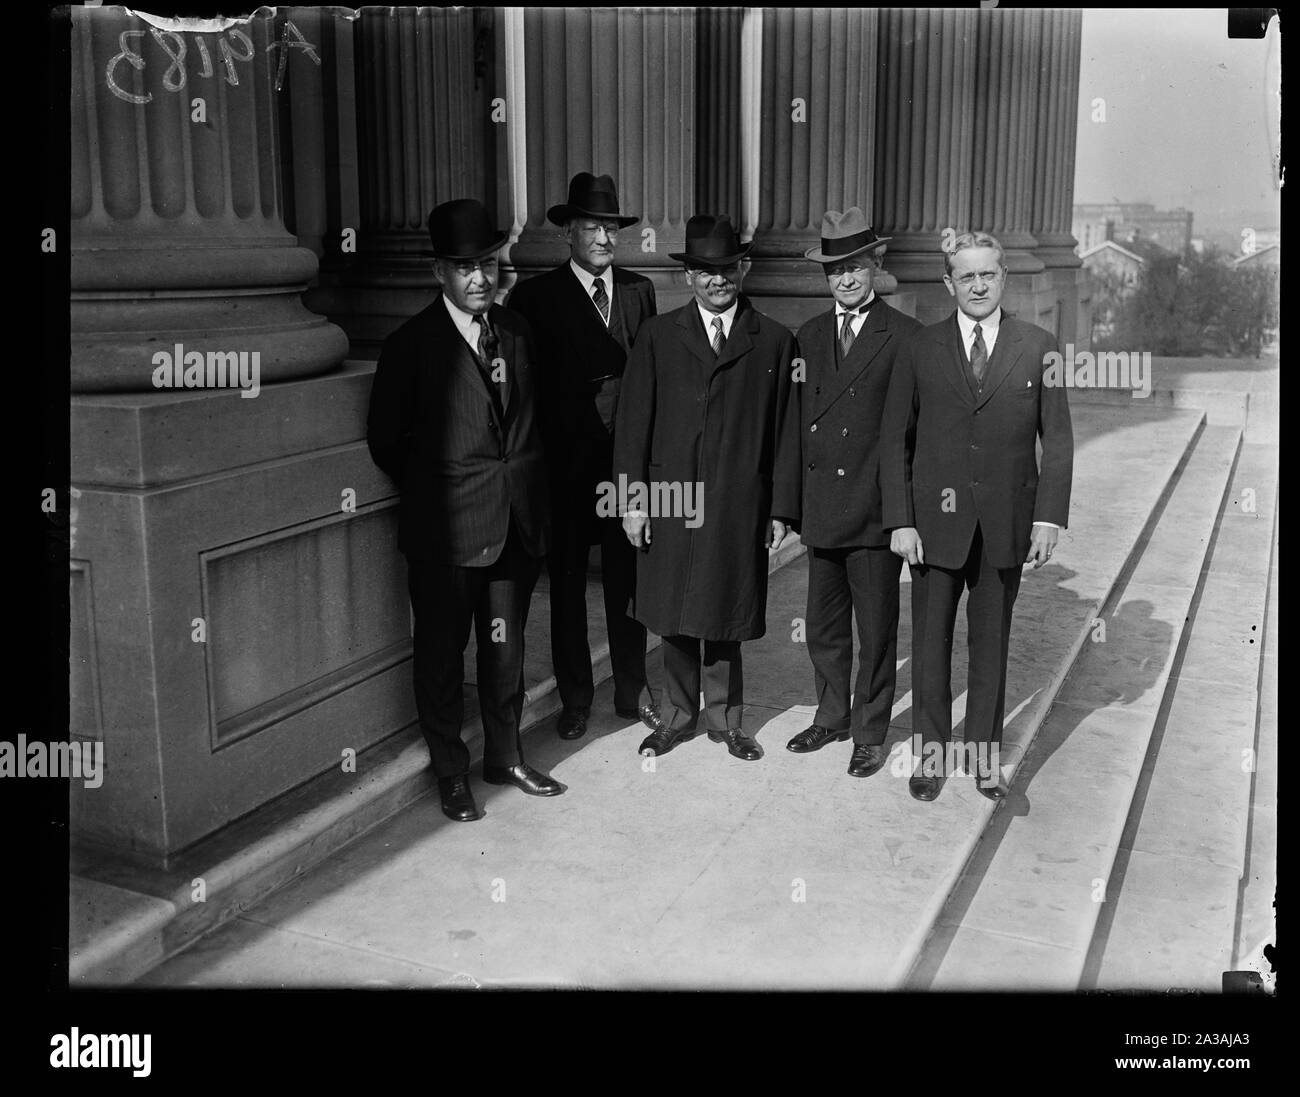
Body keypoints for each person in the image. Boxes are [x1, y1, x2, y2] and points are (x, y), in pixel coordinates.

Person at [367, 198, 566, 823]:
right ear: (440, 273)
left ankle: (504, 757)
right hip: (447, 536)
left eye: (486, 263)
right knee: (442, 656)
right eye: (464, 267)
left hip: (516, 526)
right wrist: (444, 489)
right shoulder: (410, 347)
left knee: (505, 652)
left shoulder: (516, 331)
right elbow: (386, 441)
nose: (480, 277)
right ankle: (451, 772)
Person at [880, 230, 1074, 801]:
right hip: (932, 528)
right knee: (932, 646)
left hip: (1004, 528)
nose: (979, 285)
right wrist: (901, 520)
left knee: (990, 645)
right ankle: (932, 757)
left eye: (988, 274)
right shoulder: (919, 348)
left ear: (1004, 277)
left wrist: (1047, 519)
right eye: (967, 276)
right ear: (948, 284)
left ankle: (985, 759)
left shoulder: (1041, 346)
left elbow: (1057, 442)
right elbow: (896, 439)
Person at [613, 214, 801, 761]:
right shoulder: (657, 336)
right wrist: (632, 501)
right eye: (705, 271)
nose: (717, 280)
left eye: (726, 269)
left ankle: (725, 720)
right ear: (689, 275)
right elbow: (632, 425)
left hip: (737, 501)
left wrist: (780, 509)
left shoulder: (773, 341)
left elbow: (786, 433)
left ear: (740, 269)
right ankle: (675, 716)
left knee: (725, 609)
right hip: (670, 500)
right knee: (671, 611)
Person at [507, 172, 657, 742]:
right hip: (566, 471)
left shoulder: (640, 291)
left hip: (626, 468)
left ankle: (631, 691)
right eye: (591, 226)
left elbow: (651, 380)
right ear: (568, 232)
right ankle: (575, 699)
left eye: (610, 227)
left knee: (628, 581)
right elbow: (525, 391)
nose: (602, 237)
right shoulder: (535, 298)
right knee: (567, 589)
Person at [786, 208, 921, 778]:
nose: (845, 278)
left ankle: (870, 731)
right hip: (822, 509)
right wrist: (787, 509)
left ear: (875, 265)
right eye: (834, 269)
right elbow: (794, 425)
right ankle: (831, 714)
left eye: (855, 266)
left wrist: (901, 516)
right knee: (823, 626)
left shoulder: (906, 336)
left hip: (871, 512)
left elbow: (909, 438)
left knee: (877, 630)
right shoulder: (810, 336)